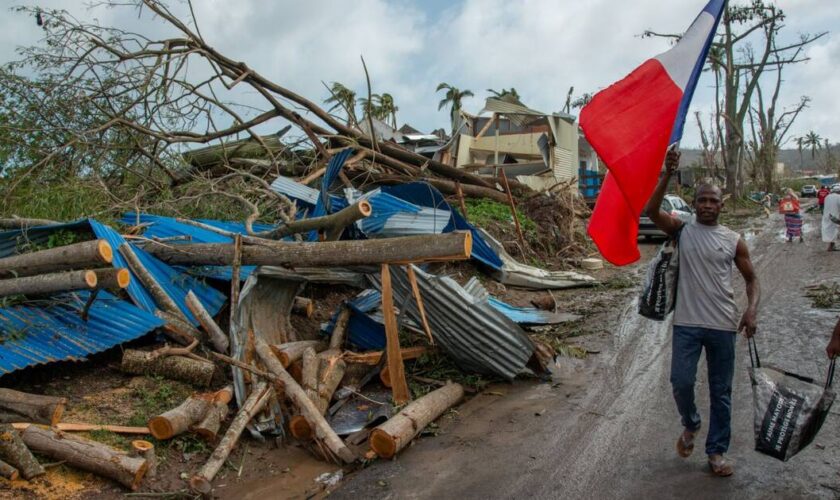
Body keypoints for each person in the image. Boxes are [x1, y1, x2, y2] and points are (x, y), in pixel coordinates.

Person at [644, 149, 760, 478]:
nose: (708, 205)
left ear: (722, 205)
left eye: (713, 200)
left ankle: (716, 451)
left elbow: (752, 280)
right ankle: (691, 423)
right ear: (694, 205)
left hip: (723, 325)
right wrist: (667, 173)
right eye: (702, 200)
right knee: (680, 382)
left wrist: (751, 310)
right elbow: (651, 211)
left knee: (721, 391)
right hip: (687, 324)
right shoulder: (682, 230)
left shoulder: (734, 240)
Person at [821, 186, 840, 251]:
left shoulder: (827, 197)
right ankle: (831, 247)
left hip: (827, 216)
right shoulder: (838, 197)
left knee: (831, 231)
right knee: (834, 231)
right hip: (834, 217)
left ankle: (831, 247)